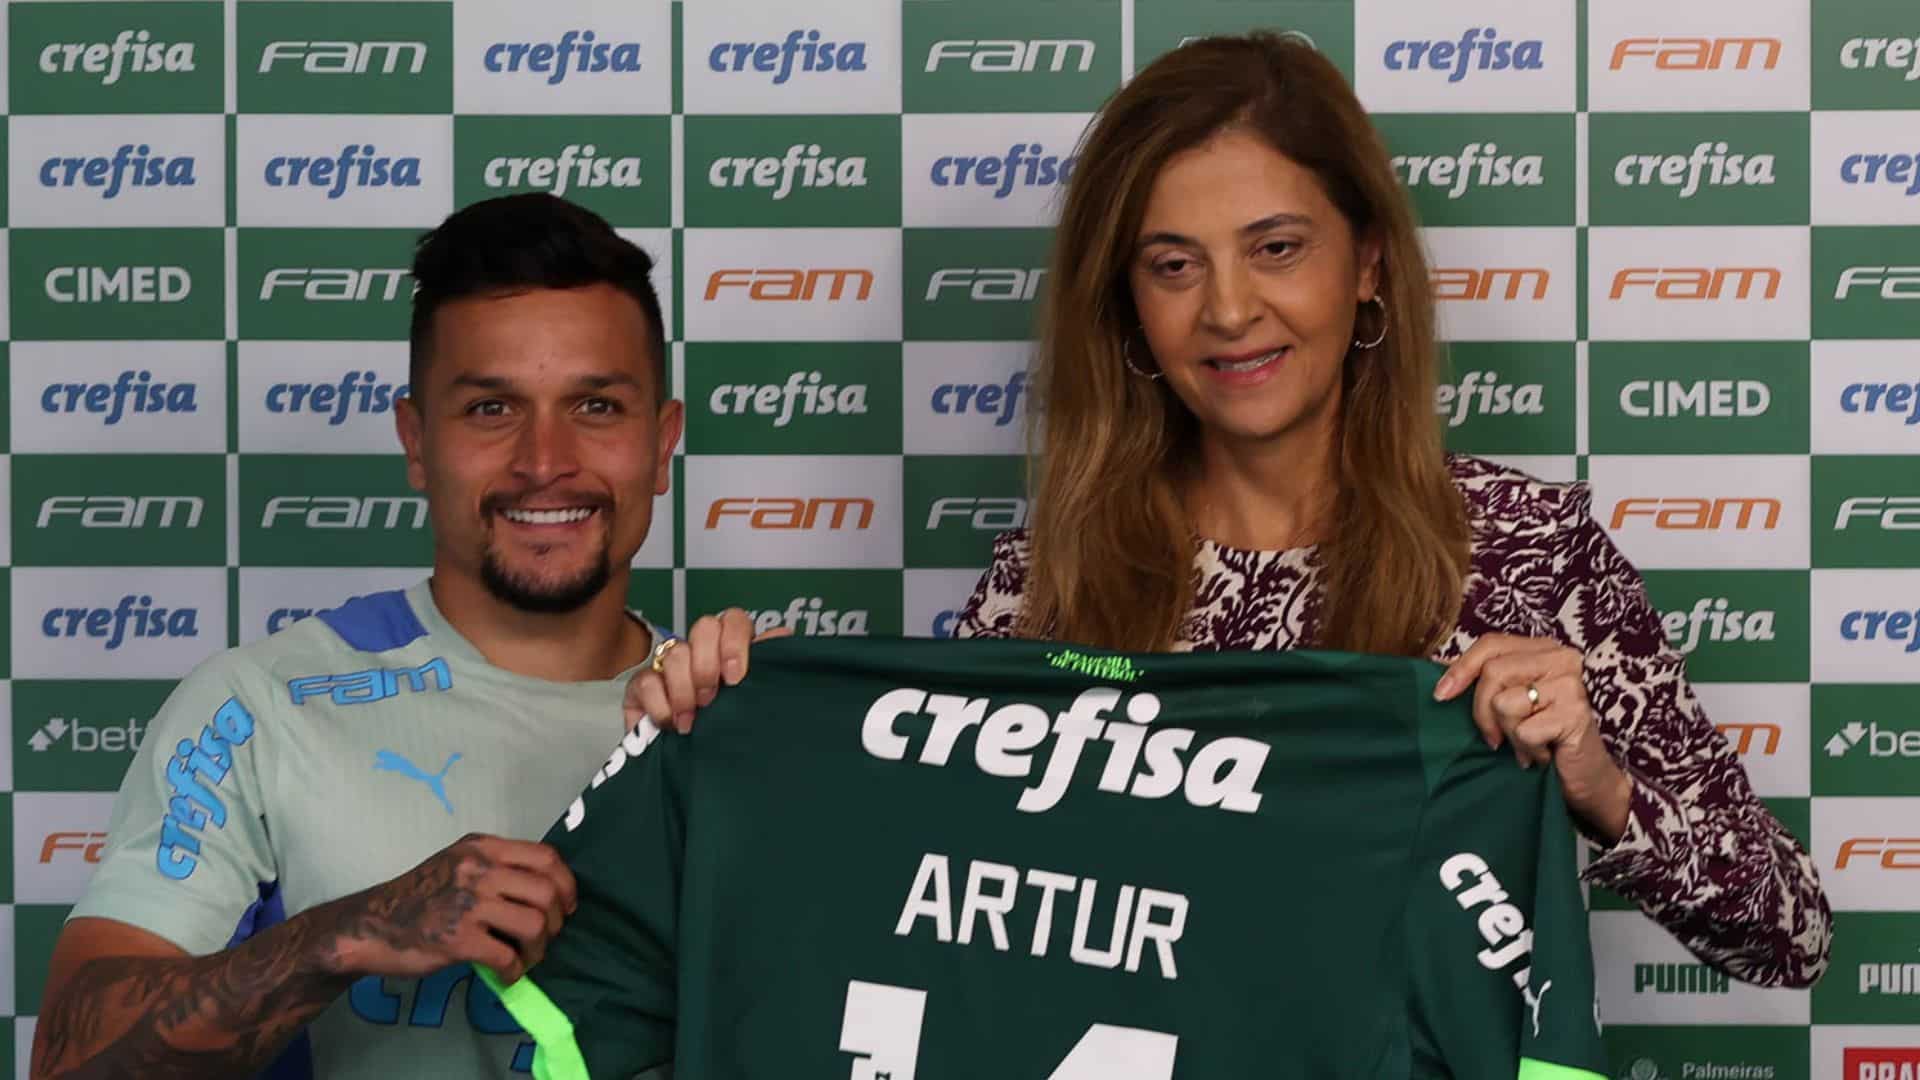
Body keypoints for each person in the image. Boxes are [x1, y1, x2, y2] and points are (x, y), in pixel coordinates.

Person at [634, 34, 1832, 989]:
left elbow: (1791, 938)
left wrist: (1597, 777)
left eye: (1275, 247)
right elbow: (925, 895)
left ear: (1366, 262)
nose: (1227, 309)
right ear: (1128, 310)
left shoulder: (1529, 552)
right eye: (1172, 264)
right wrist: (744, 725)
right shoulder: (1044, 582)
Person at [33, 193, 692, 1079]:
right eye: (492, 410)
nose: (545, 460)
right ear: (416, 442)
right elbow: (68, 1061)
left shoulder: (729, 718)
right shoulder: (260, 708)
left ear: (662, 441)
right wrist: (348, 933)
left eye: (597, 407)